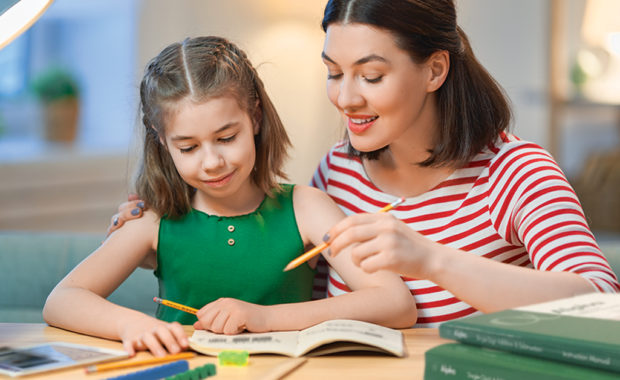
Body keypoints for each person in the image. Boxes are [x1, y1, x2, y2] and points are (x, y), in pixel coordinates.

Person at [107, 0, 620, 329]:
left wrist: (431, 261)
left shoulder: (516, 171)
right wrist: (173, 246)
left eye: (370, 76)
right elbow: (295, 300)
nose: (345, 98)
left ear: (435, 69)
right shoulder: (338, 172)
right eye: (334, 73)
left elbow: (602, 304)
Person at [43, 36, 416, 357]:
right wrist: (130, 324)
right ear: (161, 140)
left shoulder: (306, 207)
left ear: (254, 118)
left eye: (226, 138)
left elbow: (395, 303)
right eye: (187, 147)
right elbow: (62, 300)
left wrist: (264, 318)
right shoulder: (153, 218)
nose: (212, 162)